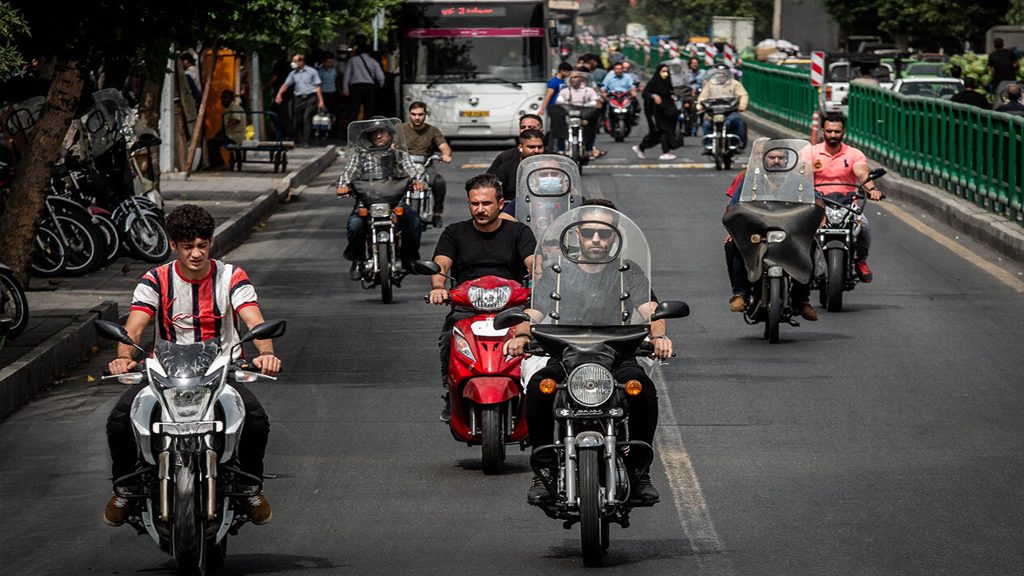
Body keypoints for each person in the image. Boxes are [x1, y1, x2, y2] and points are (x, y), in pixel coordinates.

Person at [103, 204, 281, 527]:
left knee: (256, 421)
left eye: (202, 245)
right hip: (164, 376)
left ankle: (249, 486)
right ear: (173, 245)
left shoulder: (231, 277)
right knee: (119, 420)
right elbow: (134, 328)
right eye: (188, 247)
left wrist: (265, 354)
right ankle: (126, 487)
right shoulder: (154, 280)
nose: (196, 253)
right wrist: (124, 358)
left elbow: (254, 320)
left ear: (210, 243)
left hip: (222, 375)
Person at [505, 200, 672, 506]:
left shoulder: (627, 272)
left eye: (603, 233)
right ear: (577, 234)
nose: (596, 239)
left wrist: (660, 336)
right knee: (540, 389)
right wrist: (521, 334)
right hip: (565, 357)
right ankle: (544, 471)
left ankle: (638, 472)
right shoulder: (556, 273)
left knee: (642, 390)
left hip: (617, 357)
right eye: (589, 232)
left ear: (615, 235)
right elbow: (535, 312)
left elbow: (650, 310)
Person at [427, 174, 537, 421]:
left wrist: (540, 277)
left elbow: (533, 262)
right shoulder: (455, 232)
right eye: (474, 203)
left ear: (500, 204)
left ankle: (535, 394)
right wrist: (438, 287)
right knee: (449, 335)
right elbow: (441, 264)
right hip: (468, 306)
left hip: (512, 308)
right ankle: (451, 390)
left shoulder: (519, 232)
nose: (480, 209)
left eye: (486, 203)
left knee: (537, 342)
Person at [724, 146, 824, 320]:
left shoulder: (798, 181)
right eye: (772, 158)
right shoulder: (751, 180)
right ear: (764, 160)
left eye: (780, 158)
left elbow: (817, 201)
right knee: (732, 244)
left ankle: (802, 300)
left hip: (790, 229)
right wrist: (734, 228)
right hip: (755, 229)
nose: (776, 161)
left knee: (811, 244)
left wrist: (820, 217)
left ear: (787, 161)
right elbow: (733, 206)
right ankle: (740, 293)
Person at [336, 119, 425, 279]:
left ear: (390, 135)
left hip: (395, 201)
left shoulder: (399, 154)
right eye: (374, 133)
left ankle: (409, 259)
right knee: (355, 225)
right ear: (368, 137)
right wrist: (343, 186)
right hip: (366, 203)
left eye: (382, 132)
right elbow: (347, 174)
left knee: (414, 221)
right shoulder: (359, 155)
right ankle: (357, 260)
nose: (378, 136)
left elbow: (413, 171)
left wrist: (418, 181)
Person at [402, 101, 453, 227]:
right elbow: (390, 144)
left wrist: (446, 155)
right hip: (404, 165)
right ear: (409, 114)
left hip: (426, 165)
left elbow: (444, 146)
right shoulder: (400, 129)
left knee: (439, 182)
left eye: (420, 114)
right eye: (414, 114)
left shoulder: (432, 131)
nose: (417, 117)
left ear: (425, 115)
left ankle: (437, 213)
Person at [485, 129, 547, 217]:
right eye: (531, 147)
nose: (536, 151)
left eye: (540, 147)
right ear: (520, 147)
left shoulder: (552, 162)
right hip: (514, 207)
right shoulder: (507, 164)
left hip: (547, 206)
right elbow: (491, 186)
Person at [274, 52, 325, 147]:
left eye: (295, 61)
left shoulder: (312, 72)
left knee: (307, 118)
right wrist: (279, 94)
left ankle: (305, 141)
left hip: (310, 97)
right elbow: (285, 85)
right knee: (296, 119)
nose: (293, 63)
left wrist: (321, 101)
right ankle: (297, 139)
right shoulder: (293, 73)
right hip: (298, 98)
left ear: (301, 61)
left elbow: (317, 87)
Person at [633, 64, 679, 161]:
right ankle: (665, 152)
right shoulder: (654, 82)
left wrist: (672, 97)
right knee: (663, 131)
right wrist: (653, 95)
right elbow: (646, 93)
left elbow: (669, 93)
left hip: (667, 111)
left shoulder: (667, 82)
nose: (665, 74)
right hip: (657, 111)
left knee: (660, 133)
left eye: (667, 71)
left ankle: (641, 147)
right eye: (663, 71)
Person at [556, 70, 605, 160]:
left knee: (591, 128)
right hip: (569, 114)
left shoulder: (588, 90)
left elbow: (596, 101)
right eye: (572, 78)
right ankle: (561, 150)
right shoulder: (565, 91)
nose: (574, 79)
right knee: (560, 127)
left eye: (576, 77)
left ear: (581, 79)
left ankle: (589, 149)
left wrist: (594, 104)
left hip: (584, 115)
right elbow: (559, 100)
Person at [698, 65, 749, 150]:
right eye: (719, 72)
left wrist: (742, 106)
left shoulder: (734, 83)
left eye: (724, 72)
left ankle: (738, 143)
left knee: (738, 121)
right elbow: (702, 97)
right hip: (713, 112)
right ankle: (708, 145)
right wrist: (700, 106)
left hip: (730, 111)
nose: (721, 74)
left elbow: (743, 95)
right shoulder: (710, 84)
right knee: (706, 124)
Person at [343, 39, 385, 121]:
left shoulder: (352, 60)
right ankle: (368, 130)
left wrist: (345, 88)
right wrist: (381, 84)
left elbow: (347, 75)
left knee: (354, 109)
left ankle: (352, 129)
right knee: (368, 110)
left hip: (356, 87)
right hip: (369, 87)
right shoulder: (373, 61)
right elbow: (380, 76)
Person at [206, 89, 246, 169]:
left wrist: (225, 127)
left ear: (231, 99)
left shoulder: (234, 107)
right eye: (222, 98)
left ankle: (220, 164)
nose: (223, 100)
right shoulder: (228, 109)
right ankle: (215, 164)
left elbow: (236, 120)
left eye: (226, 98)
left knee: (212, 143)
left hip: (234, 137)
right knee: (211, 141)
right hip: (230, 135)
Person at [317, 54, 342, 136]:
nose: (329, 64)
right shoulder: (320, 71)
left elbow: (337, 82)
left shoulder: (335, 71)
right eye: (327, 62)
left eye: (331, 62)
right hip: (324, 94)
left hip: (333, 94)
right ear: (324, 63)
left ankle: (334, 131)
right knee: (323, 113)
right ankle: (322, 132)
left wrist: (340, 92)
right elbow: (318, 84)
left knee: (335, 113)